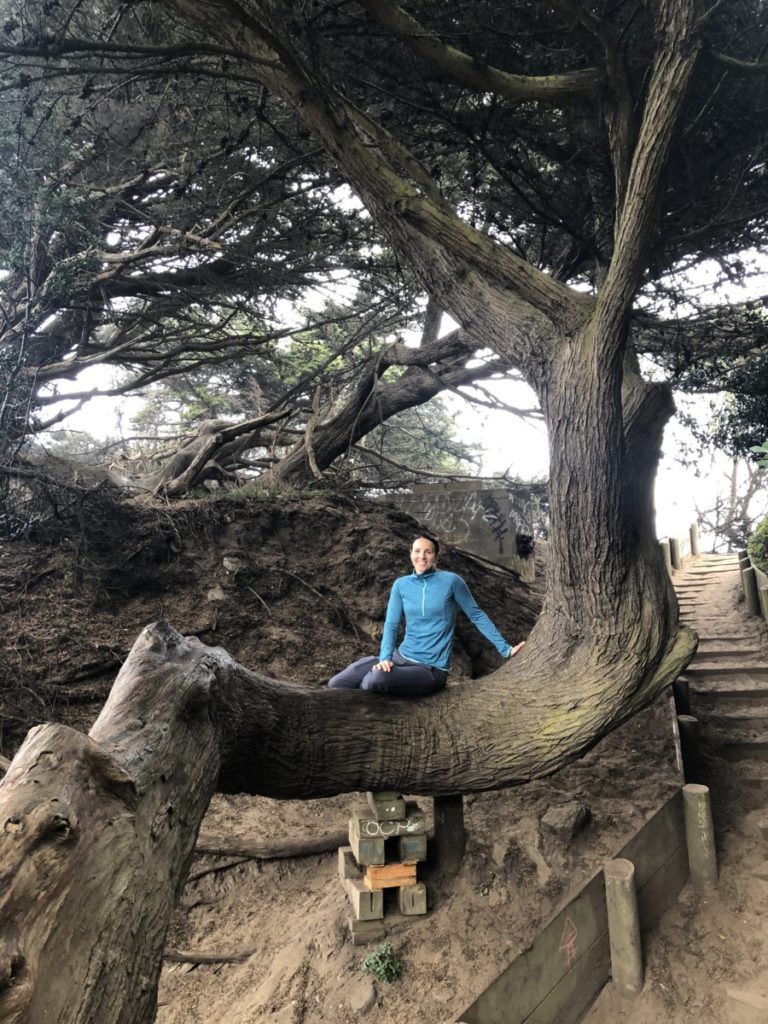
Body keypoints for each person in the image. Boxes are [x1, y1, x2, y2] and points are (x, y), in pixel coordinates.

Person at [327, 530, 525, 696]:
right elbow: (391, 624)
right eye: (417, 551)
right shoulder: (401, 585)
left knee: (372, 681)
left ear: (435, 556)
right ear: (411, 553)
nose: (421, 556)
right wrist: (385, 658)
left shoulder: (452, 581)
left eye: (428, 552)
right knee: (338, 682)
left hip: (430, 669)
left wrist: (505, 649)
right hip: (400, 657)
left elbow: (477, 615)